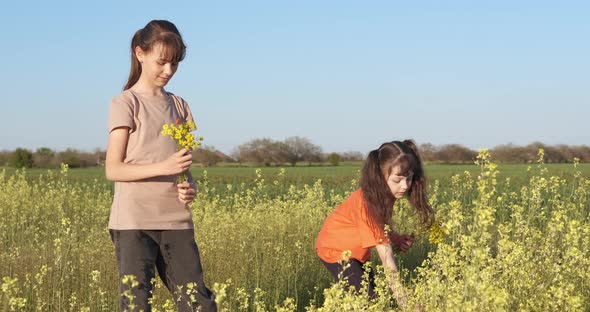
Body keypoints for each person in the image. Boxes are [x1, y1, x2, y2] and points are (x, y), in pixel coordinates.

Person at [105, 20, 217, 312]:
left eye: (175, 64)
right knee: (136, 304)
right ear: (140, 53)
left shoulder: (180, 106)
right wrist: (163, 165)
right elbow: (113, 169)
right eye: (162, 62)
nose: (168, 71)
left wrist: (189, 185)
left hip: (176, 220)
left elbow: (182, 165)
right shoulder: (125, 102)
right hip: (133, 222)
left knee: (198, 303)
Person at [315, 140, 434, 306]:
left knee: (372, 298)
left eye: (409, 178)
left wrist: (397, 238)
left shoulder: (385, 194)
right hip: (335, 250)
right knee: (370, 302)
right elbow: (386, 258)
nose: (405, 186)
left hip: (356, 253)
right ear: (380, 175)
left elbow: (381, 224)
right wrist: (404, 302)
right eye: (398, 180)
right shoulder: (367, 203)